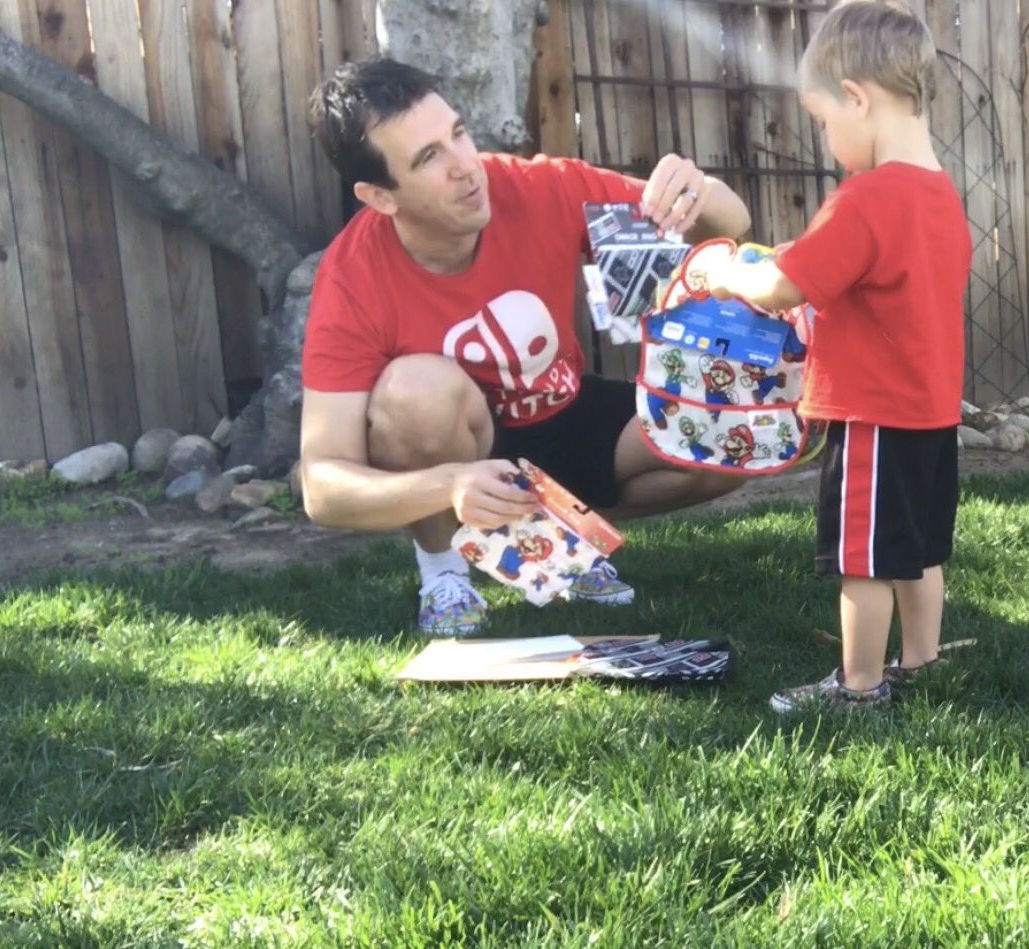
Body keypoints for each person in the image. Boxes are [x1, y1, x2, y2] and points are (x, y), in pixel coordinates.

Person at [298, 58, 753, 637]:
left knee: (728, 437)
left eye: (457, 133)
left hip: (562, 411)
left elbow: (727, 226)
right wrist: (451, 486)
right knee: (415, 390)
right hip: (463, 446)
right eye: (428, 157)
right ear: (380, 196)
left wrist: (698, 190)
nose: (466, 166)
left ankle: (565, 537)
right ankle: (444, 573)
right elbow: (323, 487)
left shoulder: (537, 185)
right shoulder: (351, 277)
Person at [700, 1, 971, 712]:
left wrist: (733, 274)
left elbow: (784, 282)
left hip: (874, 416)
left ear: (858, 97)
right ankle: (922, 660)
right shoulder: (940, 195)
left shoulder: (865, 198)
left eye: (823, 121)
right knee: (919, 549)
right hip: (931, 412)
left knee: (864, 560)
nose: (825, 140)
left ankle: (858, 687)